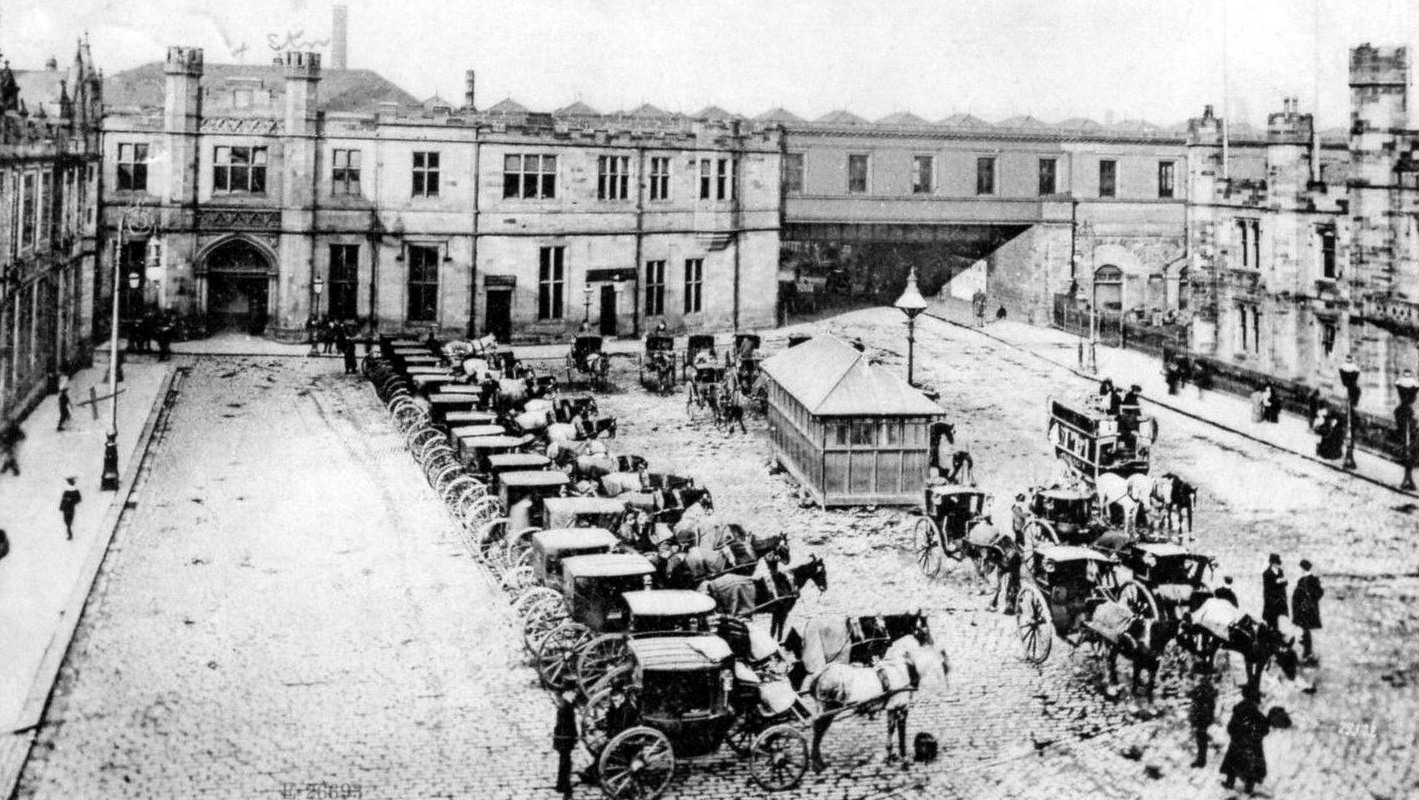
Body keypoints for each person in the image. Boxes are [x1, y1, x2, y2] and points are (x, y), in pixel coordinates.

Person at [1220, 685, 1271, 795]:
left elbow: (1231, 727)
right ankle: (1248, 788)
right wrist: (1256, 735)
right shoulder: (1256, 714)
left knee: (1233, 763)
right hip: (1252, 745)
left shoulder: (1239, 710)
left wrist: (1236, 736)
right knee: (1252, 767)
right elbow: (1265, 730)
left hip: (1238, 743)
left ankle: (1230, 782)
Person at [1292, 558, 1323, 665]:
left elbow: (1318, 593)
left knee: (1306, 631)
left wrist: (1310, 600)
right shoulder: (1302, 580)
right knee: (1305, 631)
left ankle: (1307, 653)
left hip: (1308, 611)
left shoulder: (1312, 580)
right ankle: (1306, 652)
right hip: (1301, 610)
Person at [552, 688, 578, 799]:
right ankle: (565, 786)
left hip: (563, 739)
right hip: (565, 740)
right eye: (572, 693)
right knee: (565, 763)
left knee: (564, 762)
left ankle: (561, 784)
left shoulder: (566, 704)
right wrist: (574, 735)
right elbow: (567, 725)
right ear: (567, 693)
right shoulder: (566, 707)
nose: (574, 695)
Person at [1189, 673, 1218, 768]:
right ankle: (1201, 759)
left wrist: (1193, 718)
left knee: (1201, 739)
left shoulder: (1200, 689)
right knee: (1202, 739)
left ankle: (1201, 760)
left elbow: (1193, 698)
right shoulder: (1211, 690)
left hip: (1201, 718)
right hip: (1205, 718)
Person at [1261, 553, 1288, 631]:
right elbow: (1267, 588)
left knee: (1277, 617)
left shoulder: (1280, 571)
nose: (1278, 565)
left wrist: (1281, 581)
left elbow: (1286, 583)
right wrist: (1277, 582)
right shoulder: (1266, 573)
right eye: (1277, 563)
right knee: (1271, 619)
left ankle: (1275, 634)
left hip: (1280, 599)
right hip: (1271, 600)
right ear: (1272, 563)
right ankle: (1272, 635)